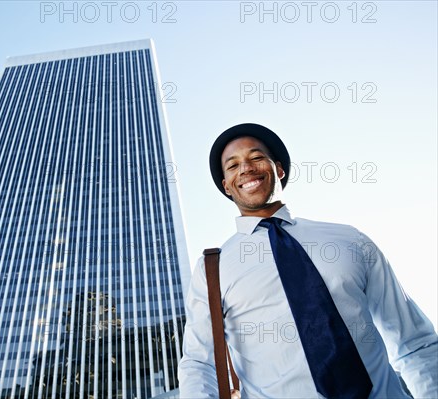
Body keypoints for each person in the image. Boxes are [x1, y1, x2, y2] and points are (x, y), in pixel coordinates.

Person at [178, 123, 438, 398]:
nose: (246, 168)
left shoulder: (349, 240)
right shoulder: (212, 269)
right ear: (227, 186)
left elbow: (413, 340)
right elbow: (198, 362)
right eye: (233, 166)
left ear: (278, 169)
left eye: (256, 157)